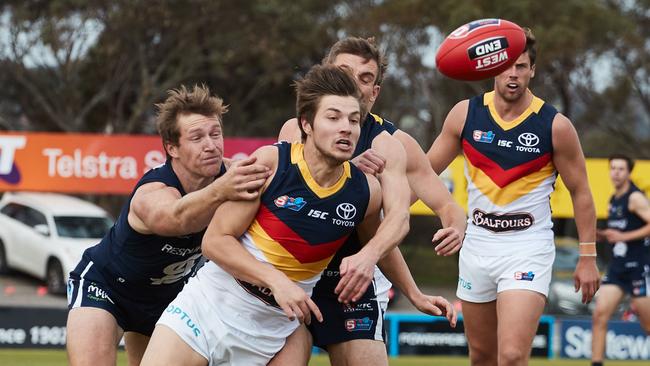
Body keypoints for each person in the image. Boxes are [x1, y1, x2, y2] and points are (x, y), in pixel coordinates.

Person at [140, 64, 389, 365]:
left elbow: (381, 244)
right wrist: (277, 281)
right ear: (306, 124)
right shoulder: (271, 164)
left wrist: (415, 294)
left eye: (354, 120)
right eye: (333, 117)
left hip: (274, 332)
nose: (346, 128)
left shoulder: (365, 191)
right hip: (208, 310)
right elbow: (215, 242)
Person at [273, 37, 465, 366]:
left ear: (374, 93)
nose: (354, 84)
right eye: (345, 72)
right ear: (327, 75)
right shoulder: (296, 130)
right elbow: (291, 200)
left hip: (354, 277)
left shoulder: (394, 144)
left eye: (365, 79)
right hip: (293, 273)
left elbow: (444, 208)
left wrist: (456, 227)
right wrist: (347, 171)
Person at [427, 28, 601, 366]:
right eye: (507, 66)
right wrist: (384, 219)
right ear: (492, 67)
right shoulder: (465, 114)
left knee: (510, 356)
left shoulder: (555, 126)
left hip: (527, 246)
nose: (513, 74)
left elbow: (581, 192)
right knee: (482, 357)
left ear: (532, 70)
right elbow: (423, 171)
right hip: (477, 244)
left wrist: (588, 256)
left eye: (521, 66)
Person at [65, 85, 271, 366]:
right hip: (108, 287)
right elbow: (176, 219)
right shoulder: (154, 191)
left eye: (215, 134)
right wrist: (221, 191)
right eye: (197, 137)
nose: (210, 145)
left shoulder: (234, 175)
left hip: (169, 298)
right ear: (172, 148)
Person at [591, 154, 650, 366]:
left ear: (629, 172)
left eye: (621, 169)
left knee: (648, 324)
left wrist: (623, 236)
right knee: (599, 315)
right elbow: (621, 230)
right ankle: (596, 363)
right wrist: (605, 234)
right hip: (618, 269)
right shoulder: (613, 200)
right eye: (612, 168)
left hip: (638, 268)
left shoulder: (635, 198)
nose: (615, 173)